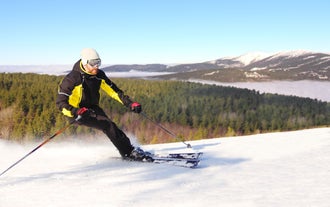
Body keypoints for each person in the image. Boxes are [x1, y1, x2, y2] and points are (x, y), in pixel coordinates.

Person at [56, 48, 150, 161]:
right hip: (77, 112)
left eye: (98, 62)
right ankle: (128, 153)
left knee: (111, 126)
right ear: (85, 63)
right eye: (93, 63)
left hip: (92, 108)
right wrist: (75, 111)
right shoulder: (72, 79)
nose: (96, 66)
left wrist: (130, 104)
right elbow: (60, 103)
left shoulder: (98, 75)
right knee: (108, 125)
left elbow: (114, 91)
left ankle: (129, 149)